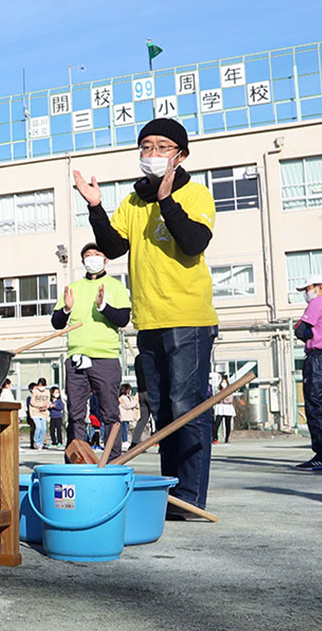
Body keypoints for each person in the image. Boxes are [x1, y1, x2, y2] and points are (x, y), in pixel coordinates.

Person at [75, 117, 219, 516]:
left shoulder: (196, 195)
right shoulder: (134, 201)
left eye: (161, 147)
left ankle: (189, 496)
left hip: (188, 317)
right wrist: (95, 207)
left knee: (186, 404)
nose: (152, 154)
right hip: (149, 319)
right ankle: (170, 492)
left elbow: (192, 244)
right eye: (146, 147)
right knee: (162, 407)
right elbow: (113, 246)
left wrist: (167, 199)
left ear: (181, 155)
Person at [52, 242, 131, 462]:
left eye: (97, 254)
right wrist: (67, 308)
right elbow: (57, 323)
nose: (92, 258)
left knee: (110, 413)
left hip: (105, 357)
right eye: (88, 254)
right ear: (83, 261)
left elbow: (124, 319)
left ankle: (112, 459)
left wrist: (103, 307)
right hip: (76, 359)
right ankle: (75, 459)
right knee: (76, 414)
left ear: (106, 260)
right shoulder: (73, 288)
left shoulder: (115, 287)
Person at [293, 274, 322, 470]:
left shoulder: (318, 303)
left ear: (320, 287)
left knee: (317, 403)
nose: (307, 293)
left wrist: (313, 335)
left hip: (320, 358)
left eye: (308, 289)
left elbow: (300, 330)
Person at [129, 354, 153, 447]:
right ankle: (163, 443)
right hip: (151, 391)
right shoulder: (150, 357)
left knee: (143, 419)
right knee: (159, 417)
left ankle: (134, 443)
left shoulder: (138, 359)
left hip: (141, 391)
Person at [212, 375, 235, 445]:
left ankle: (227, 438)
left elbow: (229, 400)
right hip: (220, 408)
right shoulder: (218, 391)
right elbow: (217, 399)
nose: (223, 383)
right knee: (217, 423)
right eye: (222, 382)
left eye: (225, 382)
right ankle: (215, 438)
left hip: (227, 408)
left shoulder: (230, 391)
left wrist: (223, 399)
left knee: (228, 424)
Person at [29, 378, 50, 450]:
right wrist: (40, 406)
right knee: (38, 427)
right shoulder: (35, 392)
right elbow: (32, 402)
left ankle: (41, 443)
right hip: (35, 411)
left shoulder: (47, 392)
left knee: (44, 428)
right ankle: (36, 441)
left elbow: (48, 401)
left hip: (43, 412)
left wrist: (45, 406)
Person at [118, 383, 139, 449]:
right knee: (124, 429)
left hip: (128, 416)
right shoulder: (122, 398)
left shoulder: (129, 397)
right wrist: (135, 403)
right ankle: (124, 440)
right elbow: (127, 405)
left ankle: (126, 440)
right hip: (124, 416)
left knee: (127, 429)